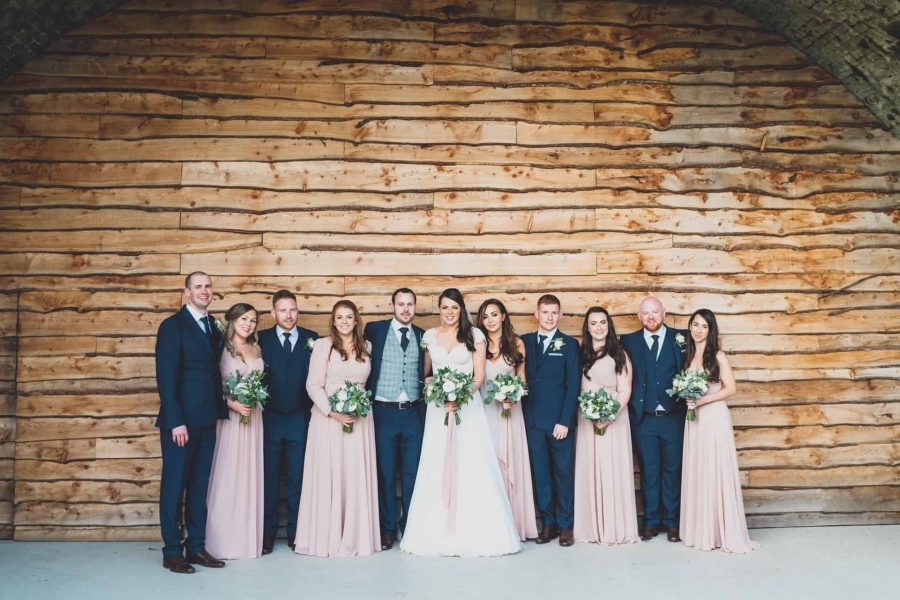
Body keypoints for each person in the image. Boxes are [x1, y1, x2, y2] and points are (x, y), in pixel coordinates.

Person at [400, 288, 521, 556]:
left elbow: (479, 376)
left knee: (471, 461)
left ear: (461, 309)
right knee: (436, 461)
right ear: (439, 309)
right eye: (445, 307)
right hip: (438, 410)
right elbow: (427, 374)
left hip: (467, 408)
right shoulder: (430, 337)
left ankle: (476, 530)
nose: (450, 312)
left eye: (454, 308)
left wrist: (460, 395)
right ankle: (434, 531)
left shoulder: (474, 336)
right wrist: (439, 392)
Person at [155, 271, 227, 573]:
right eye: (198, 287)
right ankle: (172, 550)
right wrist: (176, 421)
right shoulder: (172, 326)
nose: (204, 291)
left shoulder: (215, 326)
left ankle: (196, 546)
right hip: (181, 423)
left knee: (199, 486)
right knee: (174, 486)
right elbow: (166, 377)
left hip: (207, 419)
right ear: (186, 292)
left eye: (208, 286)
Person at [295, 300, 379, 557]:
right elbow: (313, 385)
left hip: (359, 420)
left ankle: (356, 535)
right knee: (330, 474)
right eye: (339, 317)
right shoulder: (323, 346)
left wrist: (356, 407)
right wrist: (333, 412)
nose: (344, 321)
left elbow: (367, 384)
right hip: (328, 421)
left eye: (349, 317)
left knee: (354, 474)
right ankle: (328, 536)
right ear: (333, 320)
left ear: (356, 320)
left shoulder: (367, 347)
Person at [680, 309, 759, 553]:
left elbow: (731, 388)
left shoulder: (718, 355)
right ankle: (700, 529)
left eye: (704, 326)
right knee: (699, 468)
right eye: (695, 324)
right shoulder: (690, 355)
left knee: (714, 468)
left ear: (711, 330)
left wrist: (704, 400)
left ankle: (719, 530)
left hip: (713, 417)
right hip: (694, 420)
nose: (698, 330)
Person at [620, 296, 687, 543]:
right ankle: (650, 521)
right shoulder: (628, 341)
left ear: (664, 312)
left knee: (672, 470)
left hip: (673, 416)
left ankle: (671, 522)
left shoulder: (682, 338)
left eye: (655, 312)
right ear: (639, 316)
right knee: (648, 471)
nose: (651, 317)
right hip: (644, 418)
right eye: (646, 313)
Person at [364, 288, 426, 551]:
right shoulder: (375, 331)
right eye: (401, 304)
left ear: (415, 307)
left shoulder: (423, 335)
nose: (405, 309)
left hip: (413, 410)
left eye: (410, 304)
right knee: (386, 473)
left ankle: (409, 525)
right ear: (392, 306)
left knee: (412, 473)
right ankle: (387, 528)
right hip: (383, 410)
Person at [257, 290, 318, 554]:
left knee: (298, 478)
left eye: (292, 309)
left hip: (299, 418)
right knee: (268, 478)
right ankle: (267, 533)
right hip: (269, 418)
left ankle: (296, 531)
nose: (289, 315)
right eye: (283, 310)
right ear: (273, 313)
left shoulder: (311, 339)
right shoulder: (261, 339)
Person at [573, 307, 638, 545]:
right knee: (590, 468)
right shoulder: (580, 353)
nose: (599, 327)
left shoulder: (619, 353)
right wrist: (590, 413)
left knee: (611, 469)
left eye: (603, 322)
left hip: (614, 419)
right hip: (587, 418)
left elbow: (625, 390)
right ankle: (591, 527)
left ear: (608, 326)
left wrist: (609, 416)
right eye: (593, 323)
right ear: (587, 327)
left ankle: (613, 526)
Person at [206, 303, 265, 559]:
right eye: (244, 318)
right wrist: (230, 403)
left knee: (249, 476)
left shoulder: (256, 347)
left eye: (252, 320)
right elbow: (209, 384)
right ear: (232, 320)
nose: (248, 324)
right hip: (230, 419)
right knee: (227, 476)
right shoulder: (220, 347)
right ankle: (221, 541)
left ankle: (245, 539)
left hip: (253, 419)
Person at [476, 298, 538, 541]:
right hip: (486, 411)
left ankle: (515, 523)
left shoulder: (517, 344)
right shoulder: (478, 344)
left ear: (503, 316)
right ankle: (491, 525)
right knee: (489, 463)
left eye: (494, 314)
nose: (490, 320)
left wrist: (515, 395)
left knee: (511, 464)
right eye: (485, 316)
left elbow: (521, 378)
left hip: (510, 412)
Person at [521, 294, 580, 547]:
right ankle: (549, 523)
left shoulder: (569, 345)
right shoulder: (523, 342)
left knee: (563, 473)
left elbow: (573, 385)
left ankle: (566, 525)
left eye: (554, 312)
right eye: (545, 312)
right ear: (536, 314)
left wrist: (565, 421)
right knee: (541, 474)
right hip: (533, 420)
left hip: (559, 422)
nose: (549, 317)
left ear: (561, 316)